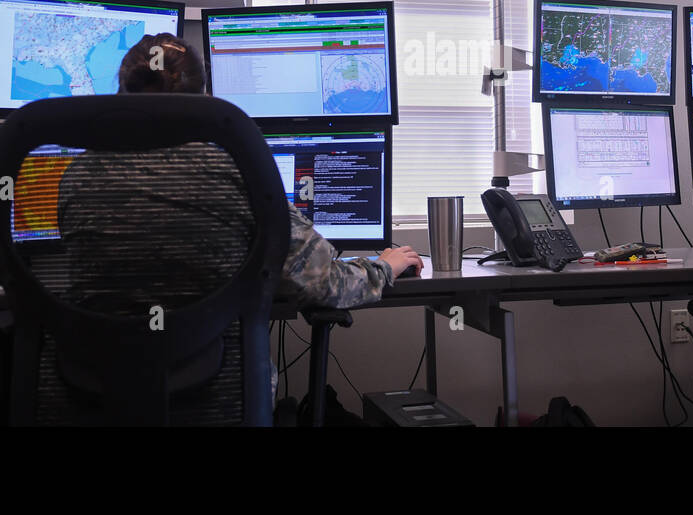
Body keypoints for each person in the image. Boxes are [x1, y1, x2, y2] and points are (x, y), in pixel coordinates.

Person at [56, 33, 422, 315]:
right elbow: (324, 283)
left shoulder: (76, 176)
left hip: (88, 394)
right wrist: (383, 267)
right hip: (216, 392)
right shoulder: (238, 174)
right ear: (204, 102)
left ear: (119, 94)